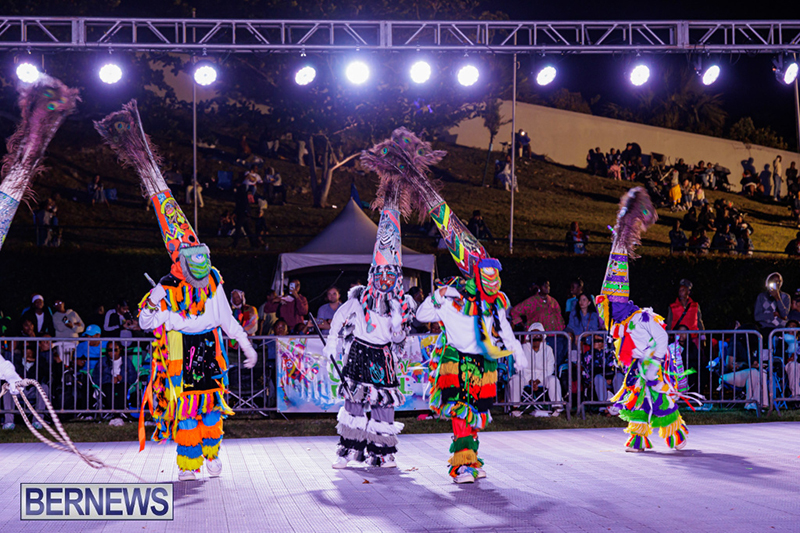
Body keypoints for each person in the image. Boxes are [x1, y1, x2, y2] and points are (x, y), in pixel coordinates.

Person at [96, 100, 257, 482]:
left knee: (212, 410)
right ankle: (189, 463)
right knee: (185, 411)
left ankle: (212, 455)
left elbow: (226, 319)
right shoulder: (167, 287)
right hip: (178, 354)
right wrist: (152, 303)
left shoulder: (214, 281)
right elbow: (146, 321)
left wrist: (247, 346)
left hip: (207, 350)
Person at [383, 127, 524, 484]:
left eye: (496, 276)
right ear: (477, 274)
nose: (492, 281)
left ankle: (471, 460)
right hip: (457, 363)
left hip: (484, 363)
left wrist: (518, 352)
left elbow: (502, 326)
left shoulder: (492, 303)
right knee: (461, 413)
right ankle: (461, 465)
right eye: (487, 274)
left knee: (477, 415)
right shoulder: (455, 296)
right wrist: (439, 296)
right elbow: (422, 314)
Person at [326, 133, 418, 470]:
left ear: (396, 277)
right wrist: (332, 344)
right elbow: (339, 319)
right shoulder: (358, 296)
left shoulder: (402, 302)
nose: (383, 278)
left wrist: (396, 319)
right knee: (353, 401)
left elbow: (398, 337)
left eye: (388, 274)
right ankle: (350, 449)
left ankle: (383, 452)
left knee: (383, 404)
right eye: (378, 272)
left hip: (382, 356)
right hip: (358, 352)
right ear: (370, 273)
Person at [595, 187, 690, 452]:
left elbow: (662, 336)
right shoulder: (619, 325)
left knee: (659, 400)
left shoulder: (642, 318)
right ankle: (638, 439)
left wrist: (654, 360)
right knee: (638, 400)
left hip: (652, 362)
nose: (608, 310)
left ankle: (676, 435)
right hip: (640, 362)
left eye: (611, 305)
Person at [520, 323, 563, 415]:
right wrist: (531, 380)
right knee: (515, 379)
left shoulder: (548, 349)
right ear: (529, 336)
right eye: (533, 335)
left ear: (542, 336)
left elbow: (550, 368)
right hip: (526, 377)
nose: (536, 337)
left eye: (538, 335)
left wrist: (538, 381)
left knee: (553, 380)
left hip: (542, 378)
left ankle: (557, 406)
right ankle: (514, 408)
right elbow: (520, 368)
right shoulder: (523, 349)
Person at [91, 341, 137, 420]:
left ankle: (117, 414)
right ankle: (116, 414)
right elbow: (96, 376)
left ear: (120, 350)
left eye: (115, 350)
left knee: (122, 388)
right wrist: (110, 379)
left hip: (122, 383)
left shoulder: (126, 361)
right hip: (107, 384)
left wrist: (122, 378)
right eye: (109, 350)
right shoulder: (103, 361)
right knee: (109, 388)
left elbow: (133, 376)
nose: (112, 352)